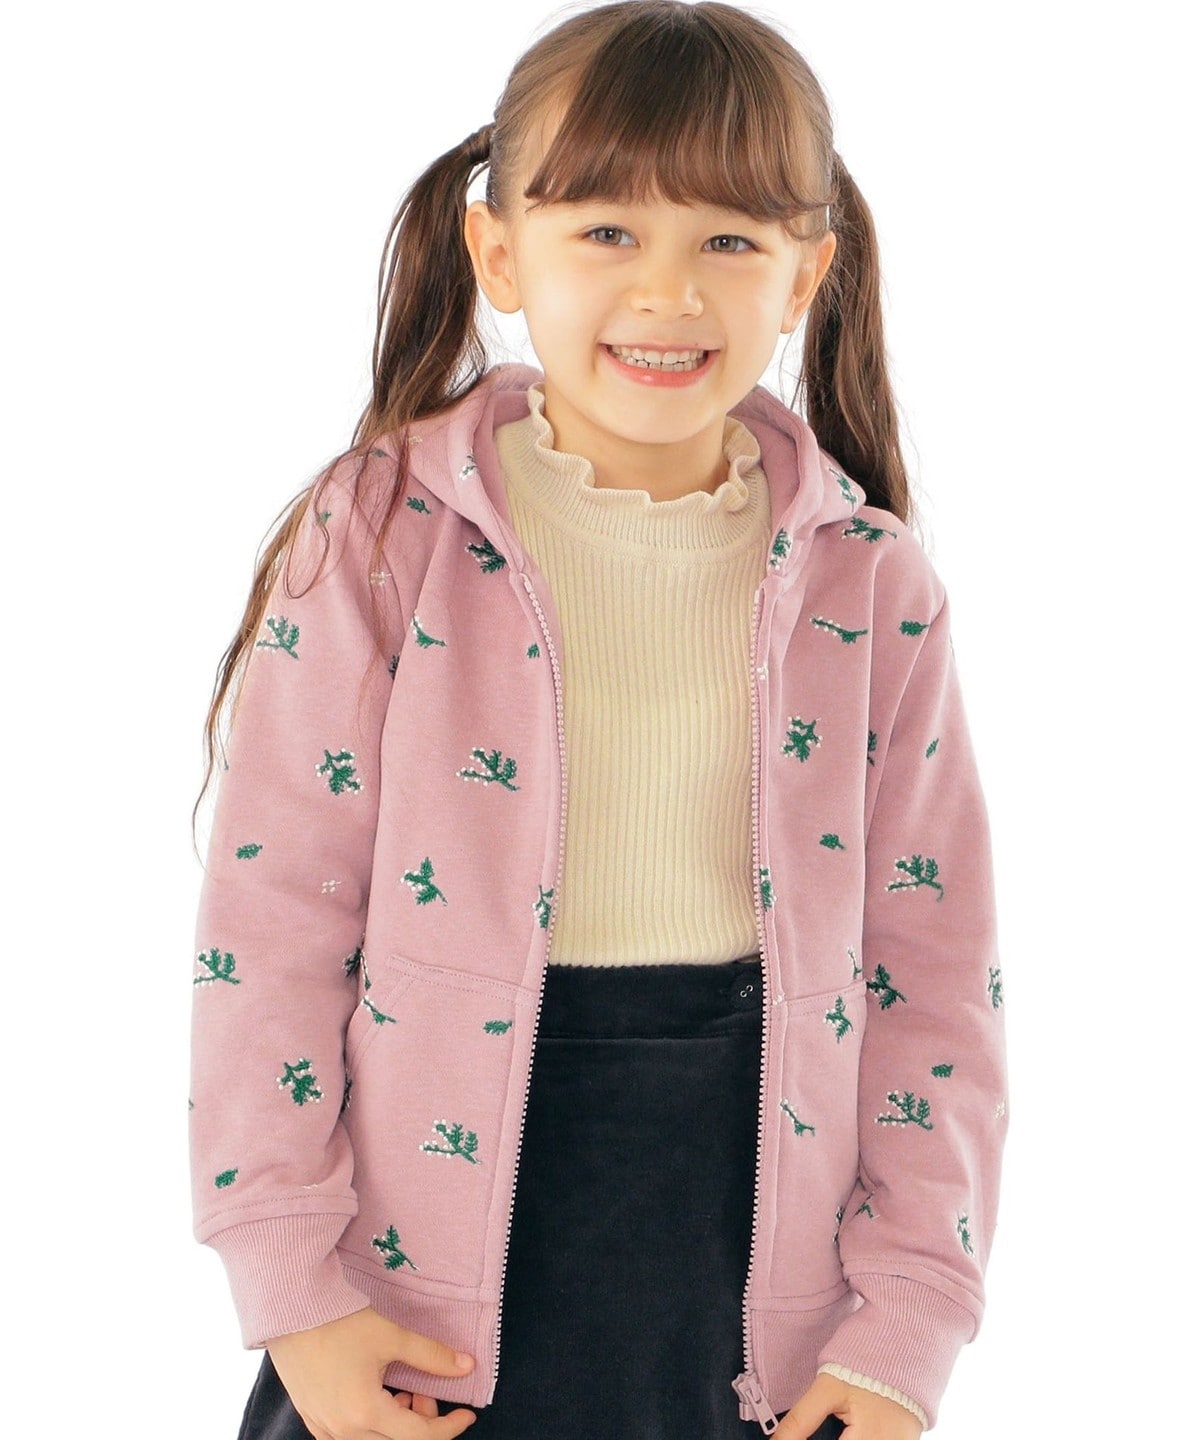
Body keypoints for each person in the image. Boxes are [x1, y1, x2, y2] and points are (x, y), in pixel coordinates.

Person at [189, 3, 1007, 1437]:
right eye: (609, 231)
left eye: (729, 241)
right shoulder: (382, 535)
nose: (668, 292)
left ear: (807, 275)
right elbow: (271, 930)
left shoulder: (871, 582)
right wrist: (295, 1292)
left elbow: (933, 978)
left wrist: (905, 1330)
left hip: (745, 1270)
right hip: (414, 1299)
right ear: (500, 252)